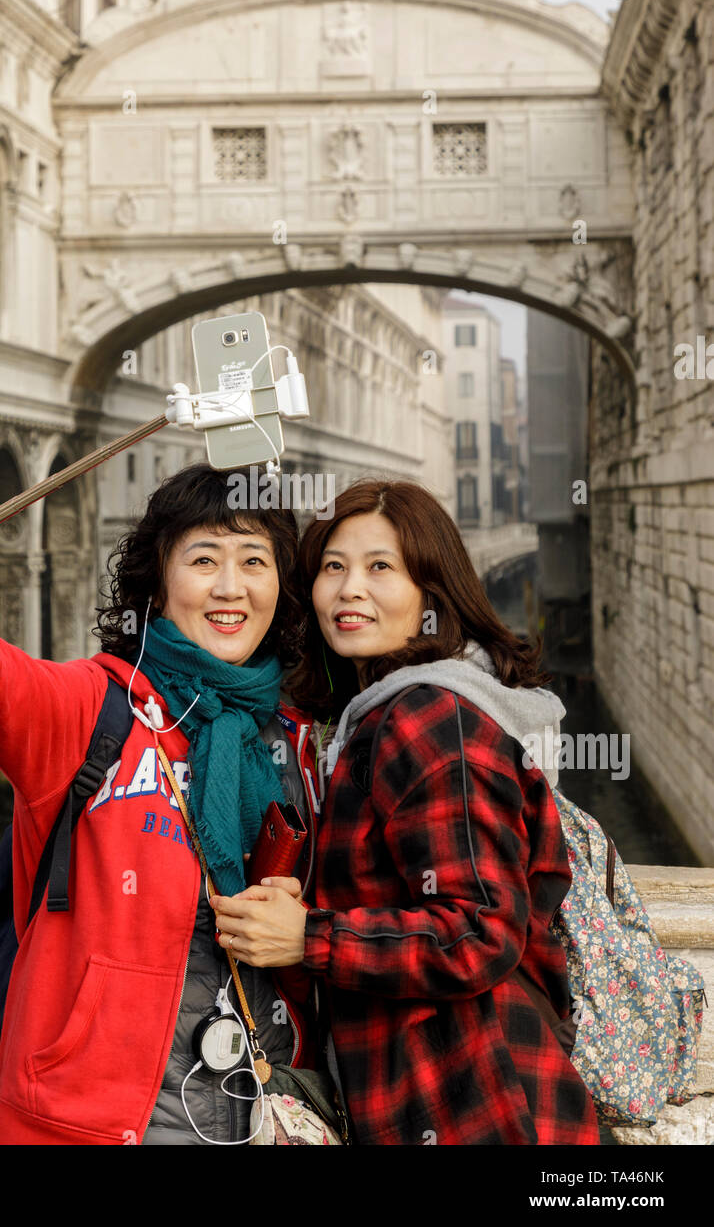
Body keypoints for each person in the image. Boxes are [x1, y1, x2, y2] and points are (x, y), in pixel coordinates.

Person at [0, 463, 322, 1146]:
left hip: (254, 1113)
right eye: (204, 559)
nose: (231, 587)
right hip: (84, 1123)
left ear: (280, 587)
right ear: (159, 584)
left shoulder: (294, 744)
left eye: (254, 561)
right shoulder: (91, 711)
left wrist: (302, 932)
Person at [210, 478, 601, 1145]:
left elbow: (481, 930)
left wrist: (312, 938)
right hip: (438, 1099)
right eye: (333, 567)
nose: (350, 589)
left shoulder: (429, 716)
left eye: (380, 567)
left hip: (476, 1103)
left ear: (432, 591)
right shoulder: (377, 718)